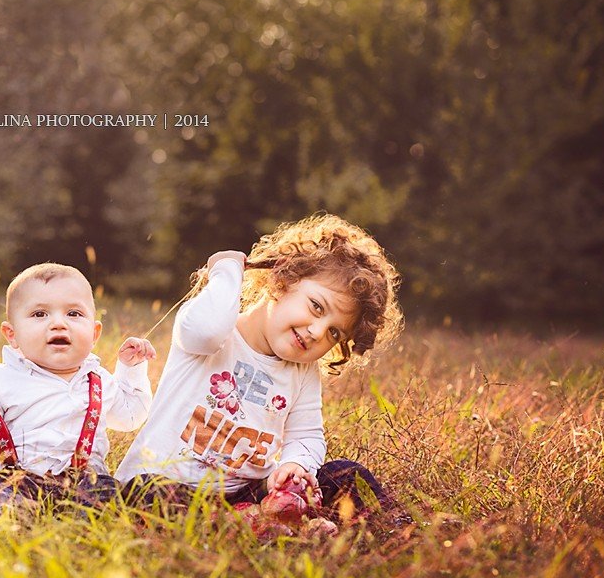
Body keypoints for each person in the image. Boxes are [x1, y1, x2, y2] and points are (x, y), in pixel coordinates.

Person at [116, 217, 408, 538]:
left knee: (346, 474)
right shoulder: (213, 334)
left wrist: (296, 465)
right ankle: (259, 528)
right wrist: (226, 269)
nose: (317, 332)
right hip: (169, 482)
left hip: (246, 494)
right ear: (281, 280)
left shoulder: (302, 371)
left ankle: (401, 532)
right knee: (148, 492)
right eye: (316, 306)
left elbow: (306, 436)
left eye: (334, 333)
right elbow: (206, 329)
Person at [0, 261, 156, 512]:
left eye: (73, 314)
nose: (58, 323)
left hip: (87, 484)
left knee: (135, 493)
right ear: (12, 334)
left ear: (94, 333)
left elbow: (131, 417)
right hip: (17, 483)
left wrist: (131, 369)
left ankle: (110, 517)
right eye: (40, 314)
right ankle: (17, 519)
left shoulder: (99, 380)